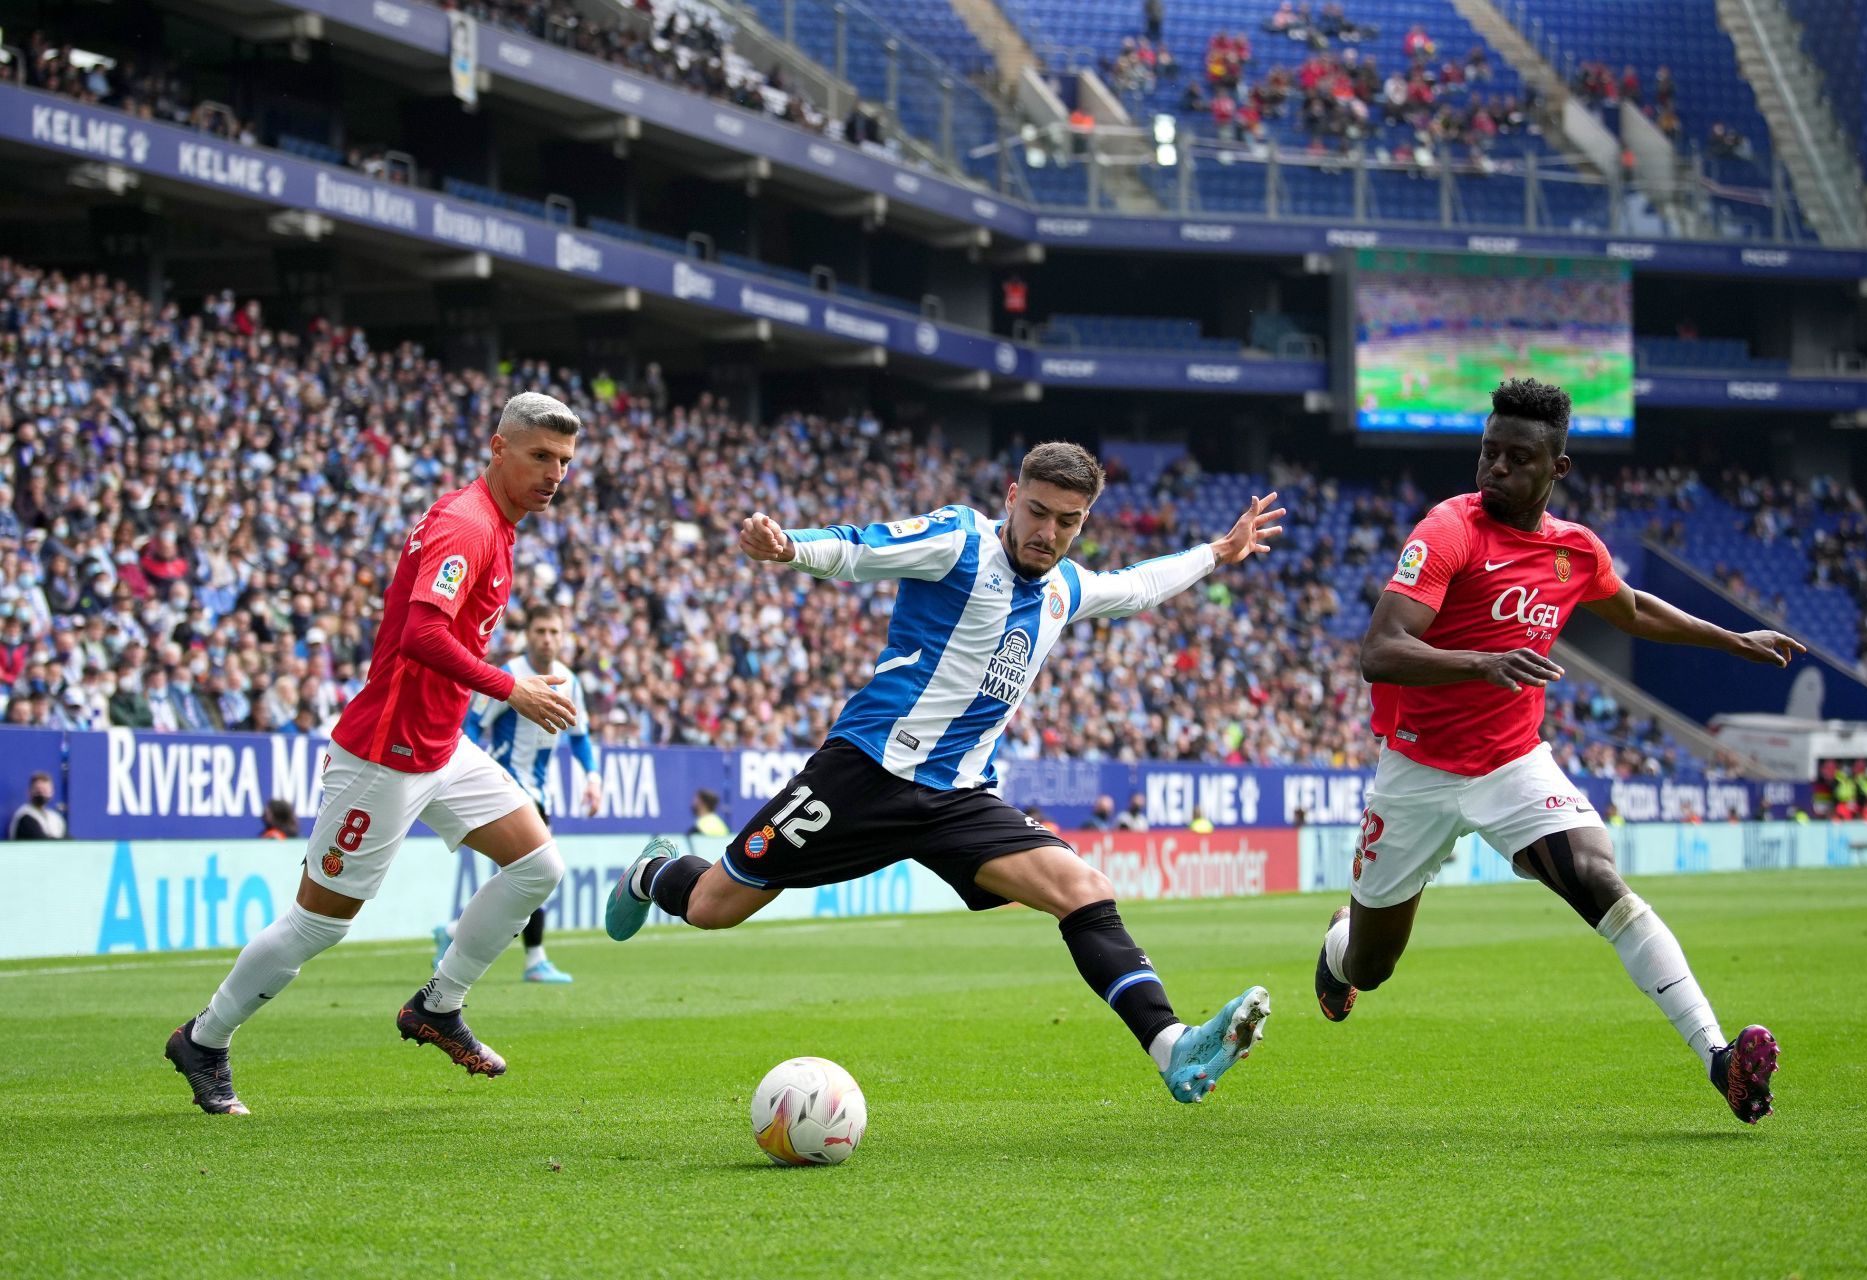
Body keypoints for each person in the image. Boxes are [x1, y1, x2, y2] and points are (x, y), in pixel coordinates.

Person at [606, 442, 1287, 1104]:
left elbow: (1136, 588)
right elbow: (860, 549)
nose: (1048, 533)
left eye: (1068, 522)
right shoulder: (958, 541)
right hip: (865, 775)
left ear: (1084, 522)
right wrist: (788, 547)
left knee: (1082, 887)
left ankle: (1173, 1047)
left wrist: (1217, 553)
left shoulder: (1065, 589)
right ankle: (653, 873)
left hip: (958, 799)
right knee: (712, 907)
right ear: (1013, 499)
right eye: (1039, 513)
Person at [1314, 378, 1805, 1126]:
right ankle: (1338, 949)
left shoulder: (1574, 551)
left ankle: (1718, 1057)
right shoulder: (1448, 531)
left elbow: (1633, 608)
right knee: (1373, 968)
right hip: (1417, 768)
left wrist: (1732, 638)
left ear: (1557, 469)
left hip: (1513, 764)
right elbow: (1380, 650)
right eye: (1489, 453)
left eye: (1517, 458)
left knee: (1601, 879)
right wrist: (1484, 661)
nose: (1496, 470)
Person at [166, 393, 585, 1116]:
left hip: (439, 745)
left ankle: (437, 1005)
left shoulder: (499, 525)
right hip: (385, 753)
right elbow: (423, 634)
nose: (555, 474)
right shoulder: (467, 526)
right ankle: (204, 1039)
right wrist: (511, 688)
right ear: (498, 448)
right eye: (540, 457)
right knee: (319, 924)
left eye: (565, 462)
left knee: (537, 864)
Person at [432, 603, 605, 985]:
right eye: (540, 631)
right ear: (527, 634)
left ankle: (453, 931)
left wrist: (592, 777)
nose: (547, 639)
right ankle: (534, 960)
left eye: (554, 632)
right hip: (506, 785)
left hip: (539, 790)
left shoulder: (569, 680)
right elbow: (473, 725)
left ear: (564, 636)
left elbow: (579, 738)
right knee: (539, 868)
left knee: (524, 876)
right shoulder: (509, 675)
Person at [9, 771, 66, 840]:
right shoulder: (24, 816)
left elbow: (68, 840)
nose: (41, 794)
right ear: (29, 792)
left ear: (51, 793)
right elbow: (42, 842)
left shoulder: (55, 818)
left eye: (45, 790)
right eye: (38, 790)